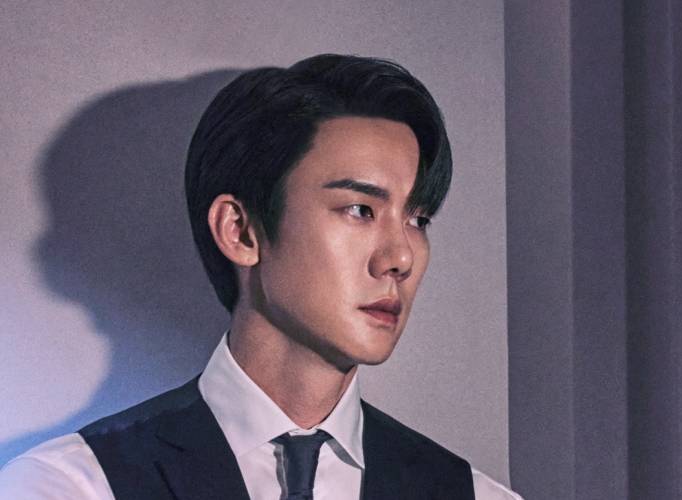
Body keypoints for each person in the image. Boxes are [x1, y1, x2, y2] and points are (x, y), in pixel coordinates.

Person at [0, 54, 521, 499]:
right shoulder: (73, 486)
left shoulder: (474, 494)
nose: (401, 257)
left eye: (417, 219)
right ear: (241, 231)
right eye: (360, 210)